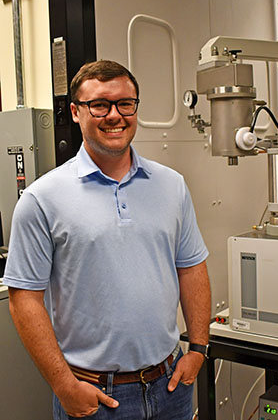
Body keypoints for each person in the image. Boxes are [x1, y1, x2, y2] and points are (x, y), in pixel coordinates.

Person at [3, 60, 211, 420]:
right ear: (76, 112)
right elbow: (24, 300)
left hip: (171, 386)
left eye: (125, 104)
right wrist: (64, 386)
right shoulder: (42, 198)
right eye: (99, 105)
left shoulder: (171, 185)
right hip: (95, 397)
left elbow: (191, 267)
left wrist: (198, 349)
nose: (114, 115)